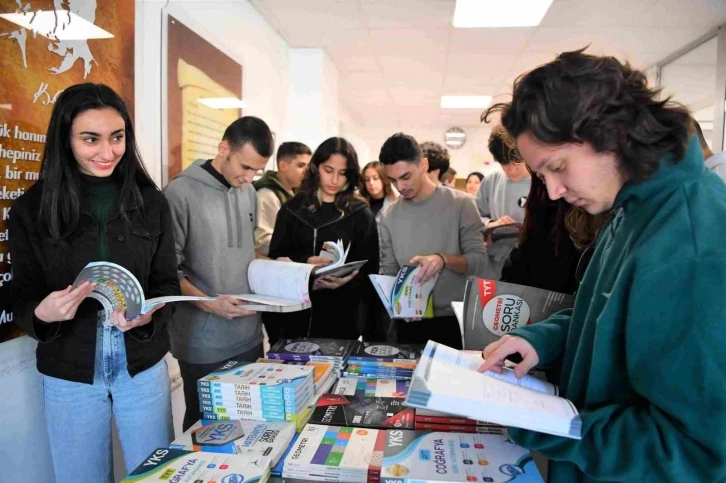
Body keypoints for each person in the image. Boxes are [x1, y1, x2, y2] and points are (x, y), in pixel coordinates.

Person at [478, 49, 726, 482]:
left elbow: (694, 447)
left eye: (557, 168)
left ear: (611, 135)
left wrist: (554, 427)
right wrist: (542, 339)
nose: (553, 192)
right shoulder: (633, 205)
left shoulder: (691, 244)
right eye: (541, 176)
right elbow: (603, 312)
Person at [9, 83, 178, 482]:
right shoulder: (31, 209)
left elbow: (166, 282)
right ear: (65, 140)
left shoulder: (151, 202)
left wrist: (146, 316)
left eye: (117, 137)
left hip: (141, 362)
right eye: (91, 139)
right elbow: (22, 291)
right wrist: (42, 312)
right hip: (69, 367)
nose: (107, 152)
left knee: (159, 475)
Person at [163, 116, 274, 431]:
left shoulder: (248, 192)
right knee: (205, 431)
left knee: (251, 428)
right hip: (203, 341)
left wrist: (277, 265)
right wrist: (209, 303)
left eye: (257, 170)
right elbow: (168, 270)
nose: (250, 177)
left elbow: (242, 251)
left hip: (250, 335)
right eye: (245, 166)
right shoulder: (179, 193)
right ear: (224, 148)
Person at [378, 133, 487, 349]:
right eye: (393, 180)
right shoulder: (388, 216)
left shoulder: (461, 204)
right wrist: (398, 304)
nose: (400, 186)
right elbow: (390, 270)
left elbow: (478, 261)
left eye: (406, 176)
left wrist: (442, 259)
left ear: (424, 165)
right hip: (409, 324)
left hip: (455, 321)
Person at [268, 137, 379, 341]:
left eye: (343, 173)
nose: (335, 180)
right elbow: (275, 258)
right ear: (316, 168)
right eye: (328, 170)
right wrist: (306, 263)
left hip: (342, 318)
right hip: (294, 317)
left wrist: (347, 281)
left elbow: (371, 271)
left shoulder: (361, 213)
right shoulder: (292, 209)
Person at [476, 127, 532, 279]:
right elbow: (475, 217)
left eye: (517, 163)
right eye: (505, 164)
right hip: (494, 261)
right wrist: (490, 225)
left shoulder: (542, 182)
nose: (512, 169)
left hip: (531, 259)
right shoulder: (491, 181)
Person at [254, 141, 312, 256]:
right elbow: (262, 243)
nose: (306, 172)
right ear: (283, 165)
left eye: (308, 167)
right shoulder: (267, 196)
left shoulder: (291, 192)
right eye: (301, 165)